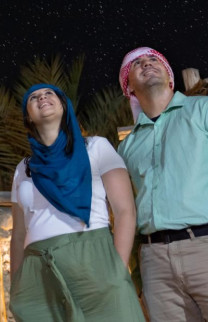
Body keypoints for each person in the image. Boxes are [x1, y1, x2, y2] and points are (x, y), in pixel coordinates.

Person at [117, 47, 208, 321]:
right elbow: (128, 212)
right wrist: (138, 275)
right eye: (137, 63)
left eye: (154, 60)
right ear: (128, 86)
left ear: (170, 78)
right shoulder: (127, 148)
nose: (147, 64)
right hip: (155, 264)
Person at [9, 83, 144, 321]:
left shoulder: (96, 147)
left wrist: (117, 269)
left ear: (64, 104)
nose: (42, 98)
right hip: (37, 270)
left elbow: (125, 210)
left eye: (49, 93)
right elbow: (19, 233)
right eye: (34, 98)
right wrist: (17, 285)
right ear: (28, 118)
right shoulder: (24, 168)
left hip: (93, 256)